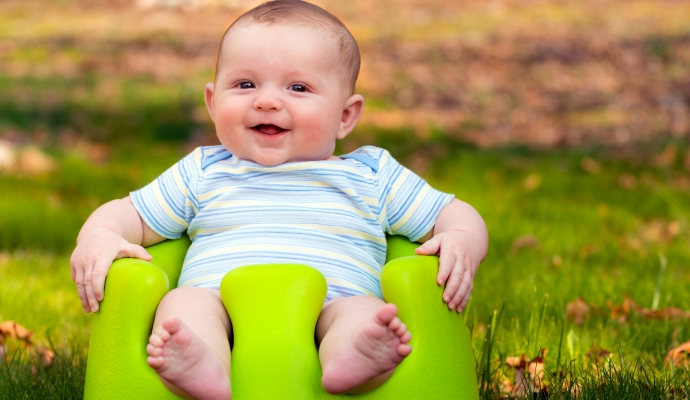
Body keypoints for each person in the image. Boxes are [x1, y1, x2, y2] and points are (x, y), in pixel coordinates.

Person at [69, 1, 488, 399]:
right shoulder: (204, 170)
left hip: (333, 303)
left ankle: (357, 356)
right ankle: (199, 363)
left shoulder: (371, 175)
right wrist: (101, 234)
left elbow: (450, 213)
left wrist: (462, 238)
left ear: (345, 116)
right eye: (245, 84)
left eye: (299, 87)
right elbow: (132, 213)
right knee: (185, 305)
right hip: (223, 308)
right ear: (213, 104)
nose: (267, 100)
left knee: (360, 313)